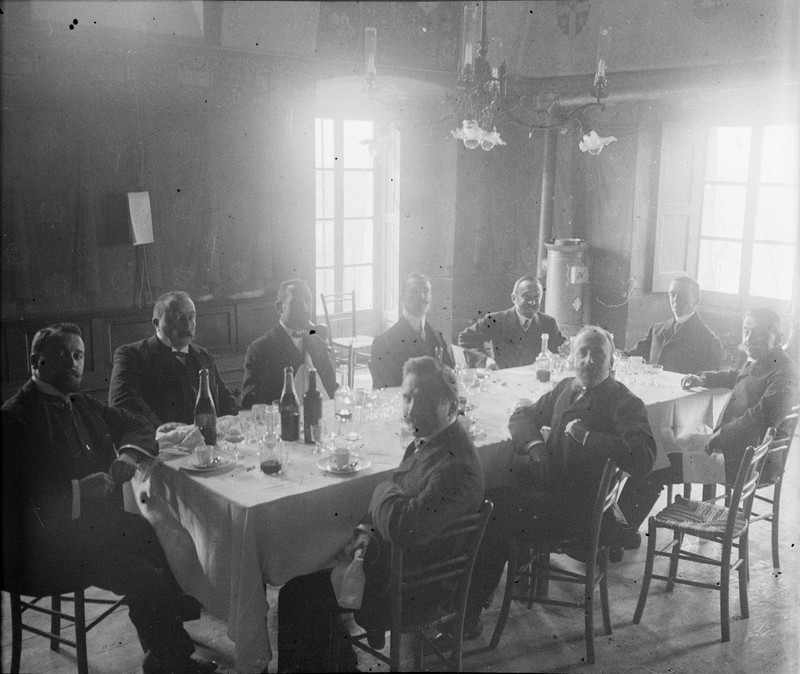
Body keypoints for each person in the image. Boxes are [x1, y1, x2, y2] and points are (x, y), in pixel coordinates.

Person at [1, 323, 215, 674]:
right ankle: (172, 661)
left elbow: (139, 426)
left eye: (79, 355)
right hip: (41, 547)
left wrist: (127, 457)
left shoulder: (83, 403)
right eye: (62, 355)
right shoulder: (14, 418)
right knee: (142, 576)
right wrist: (76, 491)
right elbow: (15, 503)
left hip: (90, 527)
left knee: (157, 540)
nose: (73, 363)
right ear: (36, 362)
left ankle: (163, 653)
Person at [277, 357, 485, 672]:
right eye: (407, 396)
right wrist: (365, 530)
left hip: (413, 589)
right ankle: (340, 663)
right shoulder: (430, 442)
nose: (410, 407)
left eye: (422, 397)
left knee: (298, 593)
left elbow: (404, 525)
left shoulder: (455, 465)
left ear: (450, 404)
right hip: (398, 566)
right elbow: (401, 499)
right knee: (311, 569)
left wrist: (380, 492)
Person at [450, 326, 656, 643]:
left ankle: (468, 612)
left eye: (598, 354)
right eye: (582, 353)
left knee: (494, 512)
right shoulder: (566, 388)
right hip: (553, 492)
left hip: (581, 513)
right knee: (486, 496)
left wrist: (590, 438)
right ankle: (458, 599)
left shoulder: (623, 403)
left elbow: (643, 457)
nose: (588, 360)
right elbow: (522, 416)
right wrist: (536, 449)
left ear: (611, 363)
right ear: (572, 358)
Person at [618, 307, 799, 532]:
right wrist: (704, 378)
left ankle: (619, 534)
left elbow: (760, 419)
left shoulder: (786, 374)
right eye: (746, 331)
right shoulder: (769, 361)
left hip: (745, 462)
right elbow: (737, 376)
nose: (748, 339)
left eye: (757, 333)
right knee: (659, 449)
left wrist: (717, 438)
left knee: (654, 464)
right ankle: (619, 530)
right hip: (737, 450)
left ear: (779, 338)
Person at [108, 291, 239, 427]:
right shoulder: (131, 356)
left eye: (191, 317)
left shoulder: (203, 355)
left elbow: (226, 400)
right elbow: (124, 404)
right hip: (162, 444)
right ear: (156, 323)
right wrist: (170, 434)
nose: (187, 325)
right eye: (177, 317)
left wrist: (237, 422)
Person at [240, 279, 338, 408]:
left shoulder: (318, 344)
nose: (304, 308)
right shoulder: (260, 349)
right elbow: (250, 401)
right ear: (279, 308)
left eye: (308, 301)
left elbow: (331, 387)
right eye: (297, 302)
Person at [458, 275, 565, 369]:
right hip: (502, 381)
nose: (532, 302)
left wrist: (565, 350)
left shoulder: (548, 323)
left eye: (536, 298)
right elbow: (465, 338)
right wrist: (484, 361)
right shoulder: (495, 320)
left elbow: (559, 349)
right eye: (526, 297)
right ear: (513, 298)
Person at [369, 272, 455, 388]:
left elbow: (451, 377)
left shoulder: (437, 336)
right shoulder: (383, 342)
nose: (421, 297)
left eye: (425, 291)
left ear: (431, 298)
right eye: (415, 291)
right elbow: (384, 392)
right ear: (402, 297)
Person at [624, 276, 721, 374]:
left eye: (682, 295)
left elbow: (704, 382)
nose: (676, 300)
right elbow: (629, 356)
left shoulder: (709, 341)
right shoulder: (657, 330)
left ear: (696, 300)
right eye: (672, 294)